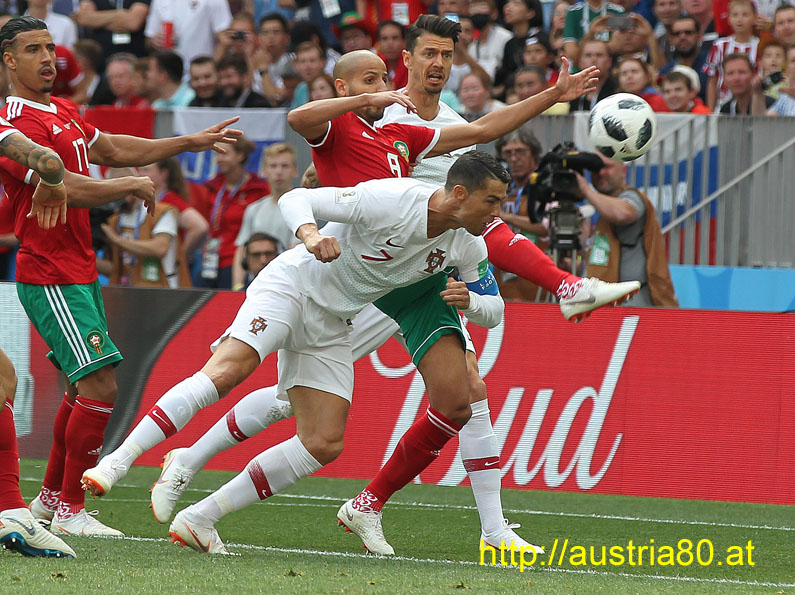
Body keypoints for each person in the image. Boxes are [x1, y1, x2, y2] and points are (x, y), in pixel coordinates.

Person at [140, 20, 637, 556]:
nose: (438, 64)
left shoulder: (448, 125)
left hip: (420, 272)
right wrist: (319, 193)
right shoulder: (381, 110)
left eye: (447, 54)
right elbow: (322, 152)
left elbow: (486, 131)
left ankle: (464, 524)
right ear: (407, 59)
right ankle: (189, 458)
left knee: (465, 391)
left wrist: (551, 96)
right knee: (291, 398)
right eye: (429, 53)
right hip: (359, 268)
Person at [83, 151, 509, 555]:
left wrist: (470, 301)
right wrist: (311, 235)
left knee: (323, 441)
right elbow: (297, 198)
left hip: (332, 321)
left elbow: (494, 310)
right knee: (229, 370)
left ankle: (200, 518)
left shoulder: (468, 245)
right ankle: (118, 461)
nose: (496, 213)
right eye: (491, 201)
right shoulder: (394, 199)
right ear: (459, 193)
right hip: (292, 287)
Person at [0, 16, 242, 537]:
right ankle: (71, 510)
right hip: (49, 271)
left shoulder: (62, 109)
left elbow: (110, 149)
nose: (47, 57)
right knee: (101, 385)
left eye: (50, 47)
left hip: (79, 266)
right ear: (9, 61)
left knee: (82, 385)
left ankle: (50, 500)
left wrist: (185, 142)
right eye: (33, 49)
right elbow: (65, 187)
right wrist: (127, 186)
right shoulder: (13, 124)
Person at [576, 152, 679, 307]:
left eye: (607, 167)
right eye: (595, 168)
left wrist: (585, 189)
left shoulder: (632, 197)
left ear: (623, 170)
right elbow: (603, 261)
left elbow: (624, 213)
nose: (601, 172)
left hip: (633, 306)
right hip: (603, 305)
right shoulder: (603, 209)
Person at [195, 136, 269, 289]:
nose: (219, 159)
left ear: (240, 155)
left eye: (224, 154)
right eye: (217, 154)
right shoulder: (212, 187)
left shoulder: (259, 190)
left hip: (238, 261)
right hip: (210, 260)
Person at [101, 168, 183, 288]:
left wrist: (118, 240)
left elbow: (160, 248)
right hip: (127, 291)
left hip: (162, 290)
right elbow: (114, 269)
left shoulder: (161, 212)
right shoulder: (114, 220)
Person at [231, 143, 298, 290]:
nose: (279, 171)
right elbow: (242, 251)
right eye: (273, 166)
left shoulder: (301, 207)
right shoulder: (253, 209)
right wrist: (237, 286)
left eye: (285, 166)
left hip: (287, 285)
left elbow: (296, 252)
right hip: (255, 285)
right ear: (264, 171)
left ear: (295, 171)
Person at [145, 0, 232, 71]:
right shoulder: (159, 1)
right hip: (170, 76)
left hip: (201, 76)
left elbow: (225, 40)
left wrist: (209, 69)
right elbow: (149, 40)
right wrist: (154, 41)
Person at [704, 0, 759, 111]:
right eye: (735, 15)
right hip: (723, 103)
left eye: (745, 15)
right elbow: (712, 81)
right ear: (729, 19)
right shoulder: (719, 46)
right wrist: (710, 111)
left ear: (754, 18)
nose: (739, 19)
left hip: (752, 104)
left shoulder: (760, 45)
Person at [659, 15, 711, 102]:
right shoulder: (665, 71)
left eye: (688, 32)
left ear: (699, 36)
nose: (682, 37)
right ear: (670, 39)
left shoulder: (711, 64)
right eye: (677, 34)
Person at [73, 0, 150, 58]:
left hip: (134, 55)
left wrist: (97, 19)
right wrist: (120, 15)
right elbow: (84, 18)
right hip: (99, 57)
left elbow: (132, 23)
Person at [568, 37, 619, 111]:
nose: (594, 59)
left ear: (609, 61)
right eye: (588, 55)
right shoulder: (571, 92)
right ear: (580, 62)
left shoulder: (618, 91)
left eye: (599, 55)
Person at [467, 0, 513, 81]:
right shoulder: (471, 43)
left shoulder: (506, 37)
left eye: (482, 6)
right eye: (473, 7)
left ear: (494, 13)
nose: (477, 11)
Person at [377, 20, 408, 88]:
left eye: (395, 38)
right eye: (384, 38)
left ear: (404, 41)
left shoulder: (412, 66)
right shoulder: (374, 65)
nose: (390, 44)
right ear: (378, 43)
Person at [766, 45, 795, 117]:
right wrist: (757, 93)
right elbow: (766, 118)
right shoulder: (785, 97)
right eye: (794, 60)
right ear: (787, 67)